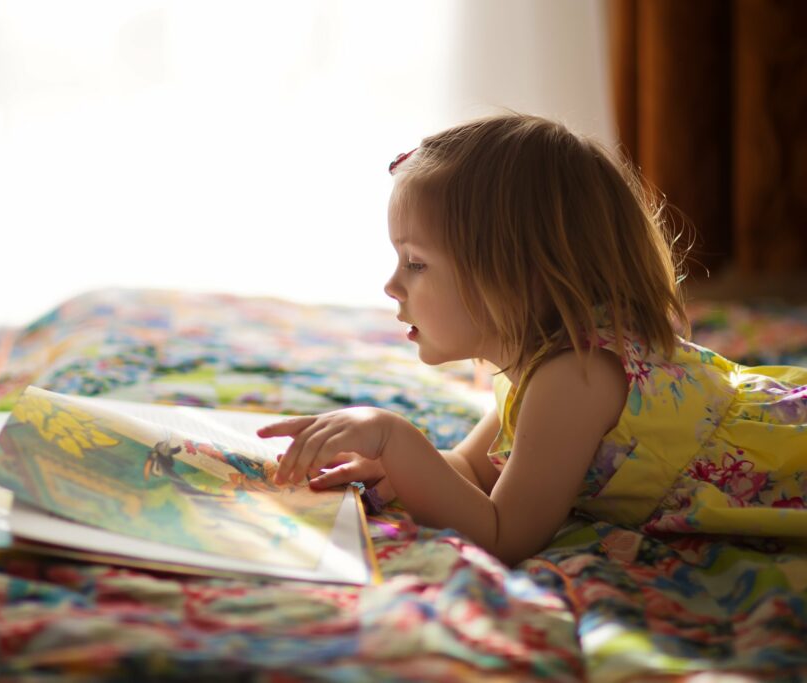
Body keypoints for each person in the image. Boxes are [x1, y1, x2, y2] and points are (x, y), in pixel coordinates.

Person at [257, 113, 807, 567]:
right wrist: (398, 469)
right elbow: (474, 472)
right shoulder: (537, 363)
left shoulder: (576, 377)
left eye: (416, 263)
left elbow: (505, 536)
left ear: (515, 276)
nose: (392, 285)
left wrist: (396, 438)